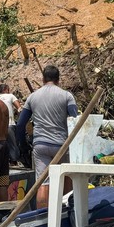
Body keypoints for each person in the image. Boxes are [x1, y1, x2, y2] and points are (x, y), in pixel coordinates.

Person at [15, 65, 78, 209]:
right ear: (58, 79)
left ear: (43, 79)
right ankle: (67, 215)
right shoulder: (66, 96)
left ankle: (42, 220)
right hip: (61, 146)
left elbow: (20, 125)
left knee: (43, 183)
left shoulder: (33, 97)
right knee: (66, 179)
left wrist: (23, 146)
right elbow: (75, 120)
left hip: (41, 145)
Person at [0, 83, 23, 164]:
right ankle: (14, 161)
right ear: (6, 89)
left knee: (2, 144)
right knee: (13, 143)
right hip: (9, 123)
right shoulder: (11, 96)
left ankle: (3, 161)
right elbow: (19, 108)